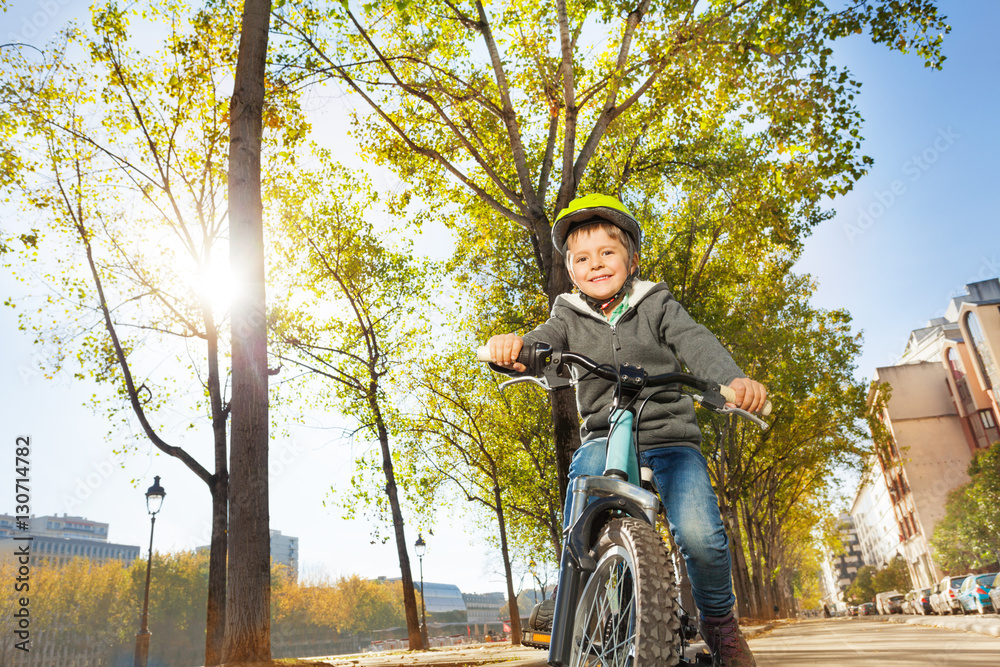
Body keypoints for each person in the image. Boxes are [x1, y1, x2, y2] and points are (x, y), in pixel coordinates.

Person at [486, 194, 767, 667]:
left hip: (669, 437)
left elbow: (695, 340)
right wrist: (514, 348)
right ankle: (579, 600)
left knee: (700, 533)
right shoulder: (567, 315)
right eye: (582, 258)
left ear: (631, 259)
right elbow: (542, 343)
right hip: (605, 438)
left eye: (607, 253)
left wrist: (732, 380)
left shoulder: (655, 303)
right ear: (571, 272)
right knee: (581, 503)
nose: (596, 264)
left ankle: (720, 625)